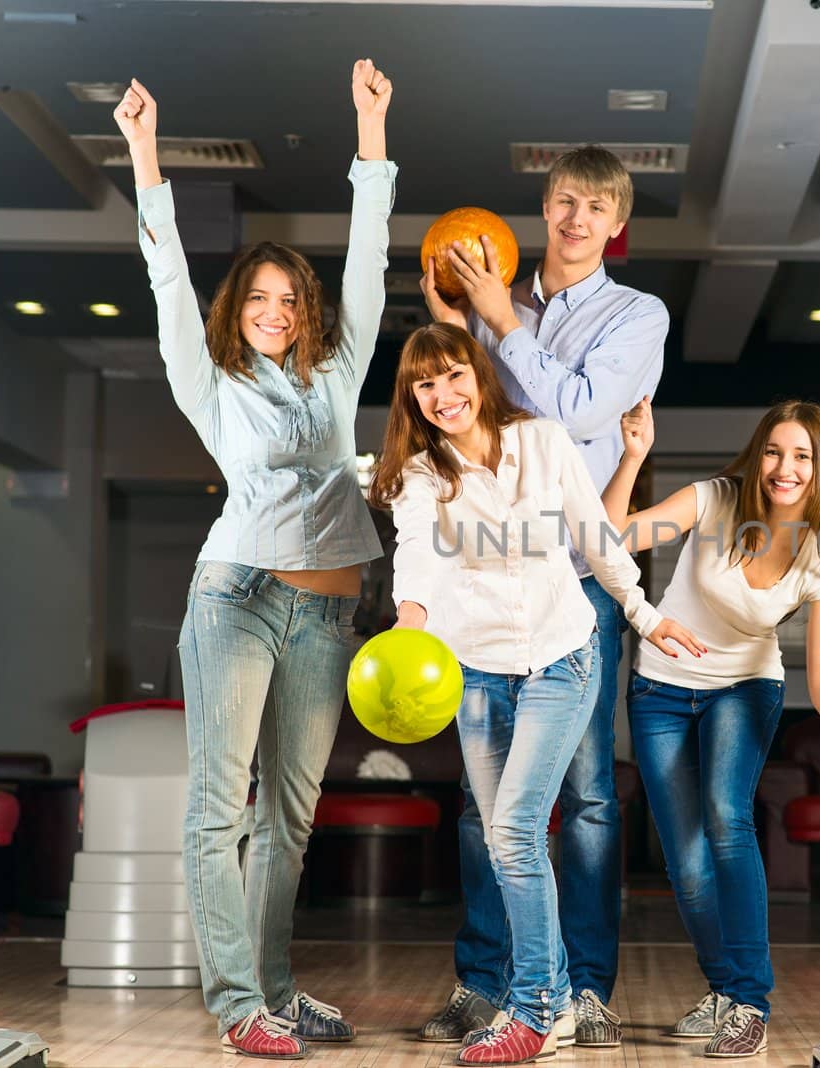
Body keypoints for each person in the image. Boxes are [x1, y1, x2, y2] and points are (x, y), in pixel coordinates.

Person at [114, 60, 395, 1060]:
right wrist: (146, 153)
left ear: (305, 308)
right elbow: (164, 273)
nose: (274, 308)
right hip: (234, 597)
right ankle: (239, 1006)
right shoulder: (208, 382)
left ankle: (275, 991)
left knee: (291, 817)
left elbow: (370, 253)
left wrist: (370, 133)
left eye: (288, 297)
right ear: (236, 308)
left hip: (325, 613)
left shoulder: (338, 370)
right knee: (215, 804)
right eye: (257, 297)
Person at [370, 323, 699, 1066]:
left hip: (562, 654)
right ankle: (548, 999)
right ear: (412, 398)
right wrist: (409, 633)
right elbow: (416, 561)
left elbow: (594, 537)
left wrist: (645, 616)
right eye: (425, 385)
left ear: (478, 375)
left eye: (453, 375)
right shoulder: (422, 476)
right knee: (501, 838)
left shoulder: (544, 442)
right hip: (475, 669)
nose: (443, 395)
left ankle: (537, 1008)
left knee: (515, 833)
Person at [416, 145, 667, 1050]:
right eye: (563, 200)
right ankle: (485, 983)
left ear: (615, 223)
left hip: (576, 582)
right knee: (484, 800)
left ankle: (583, 988)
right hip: (480, 582)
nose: (574, 219)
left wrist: (497, 321)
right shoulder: (494, 301)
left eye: (595, 207)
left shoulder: (639, 315)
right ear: (546, 207)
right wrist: (458, 324)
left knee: (589, 795)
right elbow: (463, 421)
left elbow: (581, 416)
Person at [602, 398, 820, 1057]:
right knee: (685, 860)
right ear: (759, 455)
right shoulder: (713, 500)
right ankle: (725, 991)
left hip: (745, 687)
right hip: (661, 689)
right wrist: (633, 456)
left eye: (802, 456)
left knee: (728, 819)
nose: (786, 467)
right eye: (775, 451)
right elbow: (613, 535)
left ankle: (750, 1003)